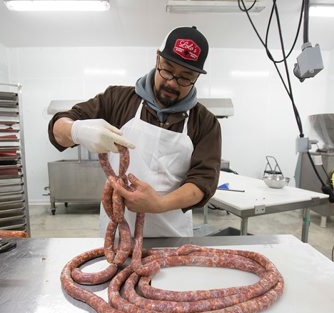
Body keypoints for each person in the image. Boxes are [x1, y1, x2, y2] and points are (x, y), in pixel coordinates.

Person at [48, 26, 222, 237]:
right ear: (157, 59)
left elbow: (202, 183)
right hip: (116, 235)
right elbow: (58, 127)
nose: (172, 82)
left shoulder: (205, 122)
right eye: (167, 69)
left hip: (172, 236)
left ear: (196, 77)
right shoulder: (117, 99)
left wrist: (159, 203)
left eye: (185, 77)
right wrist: (77, 130)